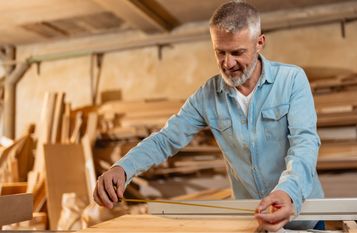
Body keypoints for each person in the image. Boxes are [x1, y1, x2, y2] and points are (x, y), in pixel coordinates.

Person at [93, 1, 324, 231]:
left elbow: (304, 142)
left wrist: (287, 192)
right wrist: (123, 168)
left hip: (303, 215)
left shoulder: (292, 80)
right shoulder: (207, 97)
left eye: (237, 52)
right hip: (254, 221)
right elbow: (166, 139)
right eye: (220, 52)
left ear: (259, 43)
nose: (228, 63)